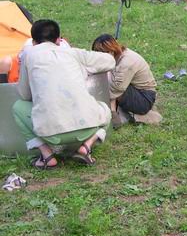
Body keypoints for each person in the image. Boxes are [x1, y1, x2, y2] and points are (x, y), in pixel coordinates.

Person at [12, 20, 115, 169]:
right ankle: (86, 146)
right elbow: (110, 61)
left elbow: (24, 95)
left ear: (33, 42)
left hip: (51, 135)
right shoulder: (73, 53)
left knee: (18, 107)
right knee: (105, 108)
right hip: (88, 128)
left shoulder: (28, 55)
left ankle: (47, 156)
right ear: (58, 40)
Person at [92, 34, 160, 127]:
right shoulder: (119, 55)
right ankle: (113, 112)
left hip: (144, 99)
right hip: (135, 89)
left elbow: (114, 90)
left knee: (108, 82)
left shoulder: (126, 62)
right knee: (107, 77)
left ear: (111, 51)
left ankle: (113, 115)